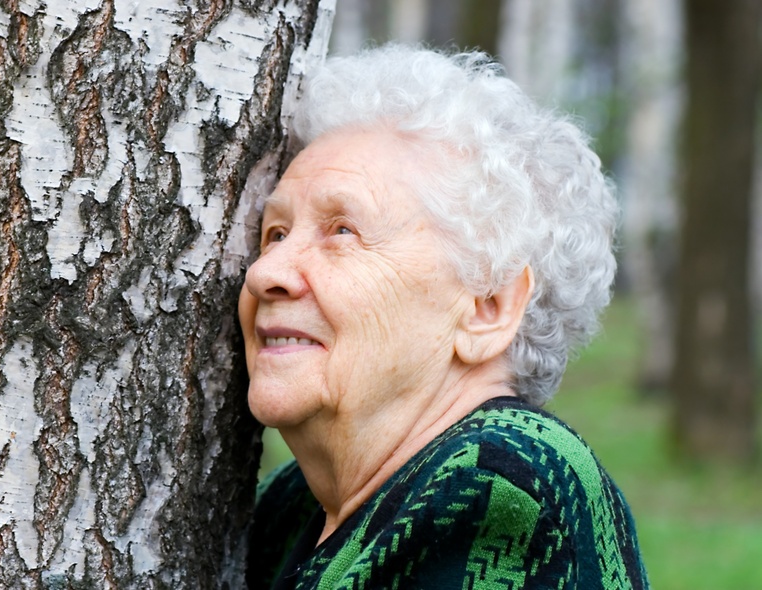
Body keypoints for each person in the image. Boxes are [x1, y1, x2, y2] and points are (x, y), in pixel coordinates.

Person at [240, 44, 649, 589]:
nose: (265, 272)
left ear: (486, 309)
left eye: (342, 231)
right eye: (276, 233)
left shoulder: (500, 488)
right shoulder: (293, 502)